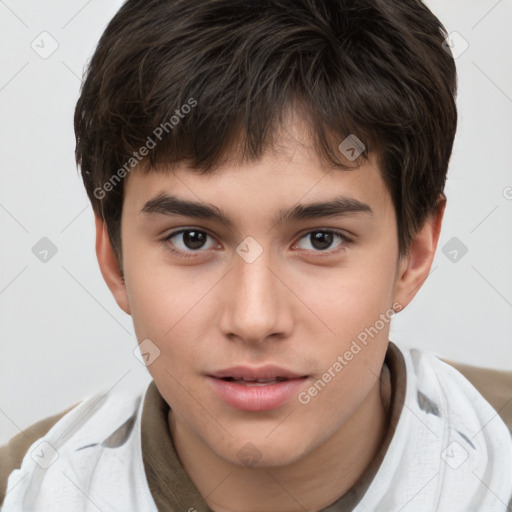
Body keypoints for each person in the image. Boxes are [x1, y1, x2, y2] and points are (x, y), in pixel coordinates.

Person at [1, 0, 511, 510]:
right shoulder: (25, 487)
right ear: (114, 260)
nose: (253, 319)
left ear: (414, 254)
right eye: (192, 239)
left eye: (321, 239)